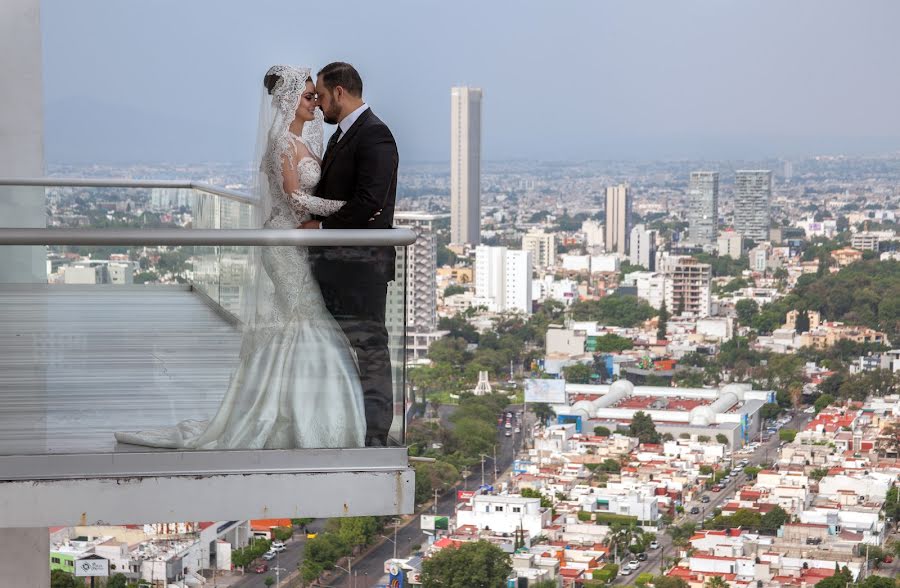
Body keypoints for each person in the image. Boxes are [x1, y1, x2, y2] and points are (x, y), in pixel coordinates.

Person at [114, 65, 366, 449]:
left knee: (297, 322)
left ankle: (293, 411)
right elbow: (295, 197)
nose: (315, 101)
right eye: (309, 96)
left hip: (300, 242)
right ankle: (293, 417)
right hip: (283, 243)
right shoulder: (281, 142)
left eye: (316, 95)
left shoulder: (307, 142)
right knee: (302, 320)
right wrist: (348, 208)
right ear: (289, 101)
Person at [298, 62, 399, 447]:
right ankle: (348, 420)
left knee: (370, 346)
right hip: (336, 263)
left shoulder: (376, 136)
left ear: (339, 92)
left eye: (322, 96)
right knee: (343, 345)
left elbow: (369, 202)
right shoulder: (343, 136)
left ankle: (375, 433)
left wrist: (320, 228)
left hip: (362, 265)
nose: (319, 105)